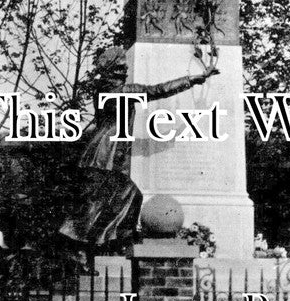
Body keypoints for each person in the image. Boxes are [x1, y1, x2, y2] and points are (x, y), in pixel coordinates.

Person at [59, 46, 219, 253]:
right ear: (111, 70)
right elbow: (157, 90)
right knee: (107, 202)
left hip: (106, 153)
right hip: (104, 154)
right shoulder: (121, 91)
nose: (125, 70)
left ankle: (99, 245)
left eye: (125, 67)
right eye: (120, 68)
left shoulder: (103, 89)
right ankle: (82, 247)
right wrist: (192, 80)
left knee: (123, 198)